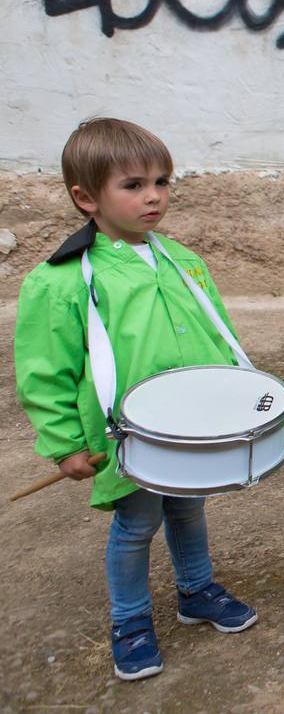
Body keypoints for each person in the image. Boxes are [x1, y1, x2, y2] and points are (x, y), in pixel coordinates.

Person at [13, 118, 259, 681]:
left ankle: (196, 591)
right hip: (126, 435)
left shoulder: (181, 260)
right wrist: (64, 444)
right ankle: (130, 621)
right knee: (136, 522)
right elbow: (45, 370)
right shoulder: (62, 281)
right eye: (133, 185)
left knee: (188, 505)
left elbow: (215, 332)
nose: (153, 196)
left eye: (162, 181)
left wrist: (233, 400)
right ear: (85, 197)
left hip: (188, 426)